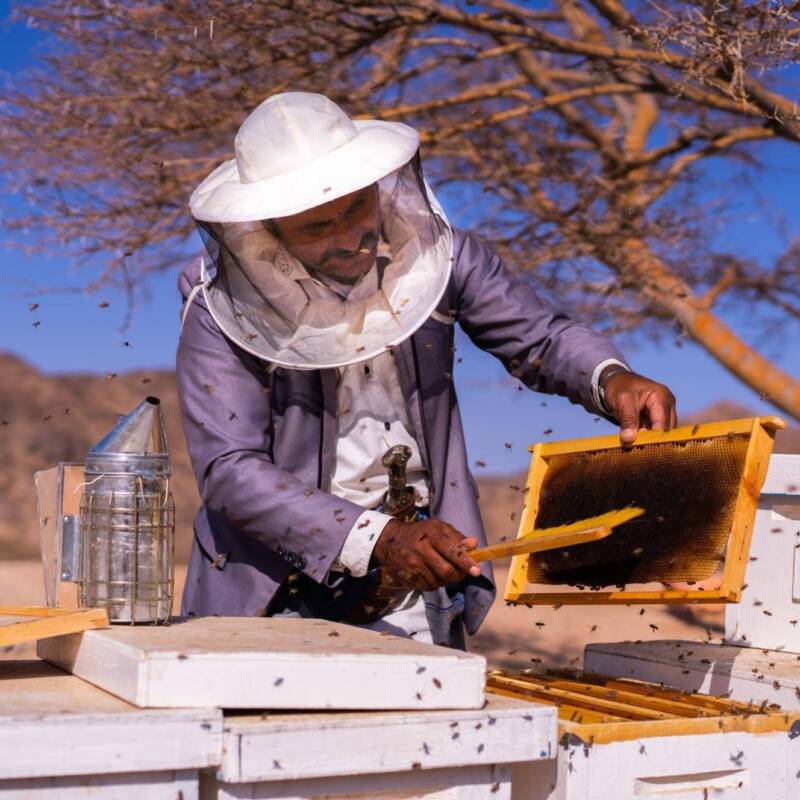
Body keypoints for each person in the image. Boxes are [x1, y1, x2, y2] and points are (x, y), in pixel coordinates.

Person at [176, 92, 676, 648]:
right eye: (316, 227)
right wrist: (379, 538)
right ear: (270, 227)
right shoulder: (219, 306)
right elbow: (229, 467)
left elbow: (542, 336)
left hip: (422, 566)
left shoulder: (443, 256)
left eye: (356, 209)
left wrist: (610, 378)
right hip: (274, 586)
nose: (348, 238)